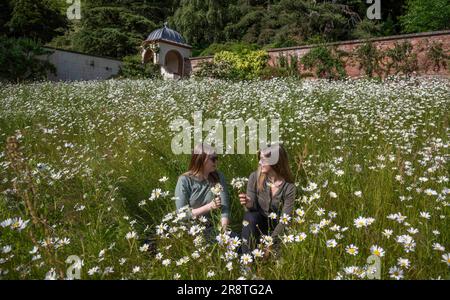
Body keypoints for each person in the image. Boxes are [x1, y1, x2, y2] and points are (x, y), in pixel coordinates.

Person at [239, 143, 296, 256]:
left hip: (278, 229)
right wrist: (249, 204)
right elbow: (251, 211)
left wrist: (270, 243)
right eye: (260, 159)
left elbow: (285, 220)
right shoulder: (254, 177)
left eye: (263, 160)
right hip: (257, 226)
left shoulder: (289, 188)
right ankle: (247, 264)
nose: (260, 163)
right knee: (249, 216)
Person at [174, 143, 230, 239]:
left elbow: (225, 208)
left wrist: (223, 233)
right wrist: (208, 207)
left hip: (213, 227)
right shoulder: (184, 181)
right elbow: (181, 215)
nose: (216, 161)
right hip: (191, 230)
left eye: (217, 158)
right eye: (213, 159)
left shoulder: (218, 176)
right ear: (201, 159)